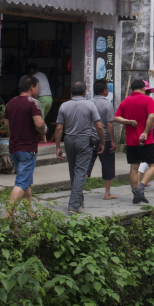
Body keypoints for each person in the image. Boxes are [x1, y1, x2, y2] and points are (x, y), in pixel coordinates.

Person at [54, 81, 104, 215]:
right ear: (84, 92)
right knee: (81, 172)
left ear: (72, 92)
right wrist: (102, 142)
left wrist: (58, 146)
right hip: (84, 141)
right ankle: (73, 205)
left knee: (73, 170)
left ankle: (79, 199)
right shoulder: (89, 105)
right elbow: (99, 126)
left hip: (69, 140)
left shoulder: (64, 106)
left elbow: (59, 128)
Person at [5, 75, 47, 209]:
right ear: (32, 87)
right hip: (28, 148)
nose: (37, 91)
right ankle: (8, 215)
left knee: (26, 180)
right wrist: (42, 132)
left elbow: (7, 125)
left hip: (14, 148)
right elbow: (39, 124)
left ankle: (29, 212)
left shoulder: (10, 103)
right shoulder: (33, 102)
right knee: (22, 182)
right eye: (37, 88)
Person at [114, 79, 154, 204]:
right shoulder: (148, 100)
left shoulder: (125, 101)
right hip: (145, 140)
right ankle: (140, 187)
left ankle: (136, 195)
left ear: (131, 90)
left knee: (134, 167)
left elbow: (116, 117)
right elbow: (151, 116)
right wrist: (145, 132)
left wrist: (128, 122)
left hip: (130, 140)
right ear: (143, 89)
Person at [86, 79, 118, 200]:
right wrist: (112, 141)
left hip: (91, 137)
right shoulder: (107, 104)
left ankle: (79, 191)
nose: (108, 90)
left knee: (87, 164)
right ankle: (107, 192)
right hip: (105, 137)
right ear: (104, 91)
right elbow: (110, 124)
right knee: (108, 164)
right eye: (108, 89)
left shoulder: (88, 103)